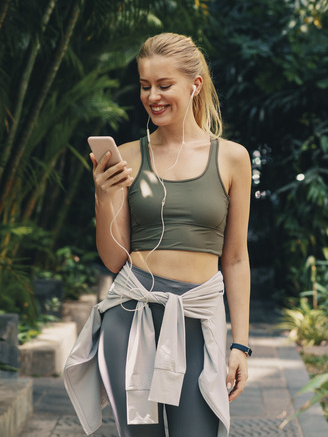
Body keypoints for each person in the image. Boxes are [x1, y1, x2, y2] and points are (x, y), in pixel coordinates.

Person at [63, 32, 252, 437]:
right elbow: (114, 259)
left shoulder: (232, 157)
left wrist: (241, 344)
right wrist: (103, 196)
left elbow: (236, 258)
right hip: (131, 314)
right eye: (145, 86)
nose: (153, 97)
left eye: (164, 85)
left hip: (199, 317)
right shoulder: (129, 157)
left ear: (194, 84)